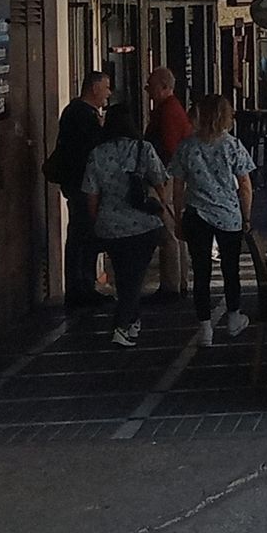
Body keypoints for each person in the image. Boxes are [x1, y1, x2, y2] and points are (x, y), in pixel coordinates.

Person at [170, 95, 256, 347]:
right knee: (231, 269)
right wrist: (246, 215)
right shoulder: (232, 145)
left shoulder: (186, 147)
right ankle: (233, 317)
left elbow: (177, 187)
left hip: (196, 214)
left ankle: (205, 328)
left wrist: (178, 217)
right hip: (228, 215)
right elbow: (245, 185)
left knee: (202, 272)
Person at [81, 103, 169, 346]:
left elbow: (91, 195)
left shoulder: (97, 154)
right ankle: (120, 326)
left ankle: (133, 320)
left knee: (123, 275)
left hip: (110, 225)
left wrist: (96, 221)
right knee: (136, 276)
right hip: (144, 225)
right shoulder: (144, 149)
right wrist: (165, 207)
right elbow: (161, 183)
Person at [51, 71, 112, 307]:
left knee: (83, 234)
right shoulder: (81, 115)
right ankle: (80, 287)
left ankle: (83, 285)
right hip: (81, 186)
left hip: (79, 184)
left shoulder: (76, 112)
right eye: (106, 87)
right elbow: (90, 149)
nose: (108, 92)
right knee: (82, 235)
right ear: (94, 88)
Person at [143, 67, 192, 303]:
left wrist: (160, 180)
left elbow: (169, 150)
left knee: (168, 232)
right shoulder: (169, 109)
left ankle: (172, 285)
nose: (147, 90)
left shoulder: (168, 112)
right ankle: (177, 282)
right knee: (173, 230)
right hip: (169, 176)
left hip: (165, 177)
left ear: (163, 87)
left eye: (151, 85)